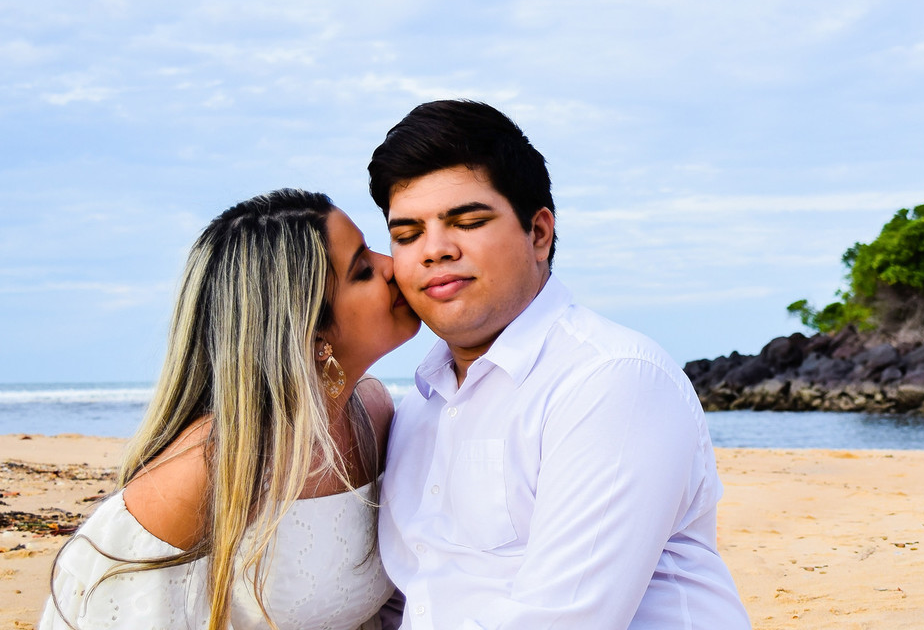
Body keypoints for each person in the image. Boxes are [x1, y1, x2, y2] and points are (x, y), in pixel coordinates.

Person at [368, 100, 751, 630]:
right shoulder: (420, 406)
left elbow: (562, 618)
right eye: (406, 235)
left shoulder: (612, 378)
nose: (433, 251)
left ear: (539, 233)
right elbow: (414, 598)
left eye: (469, 221)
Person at [40, 189, 420, 630]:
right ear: (310, 334)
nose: (392, 265)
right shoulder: (203, 471)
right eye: (362, 270)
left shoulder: (373, 414)